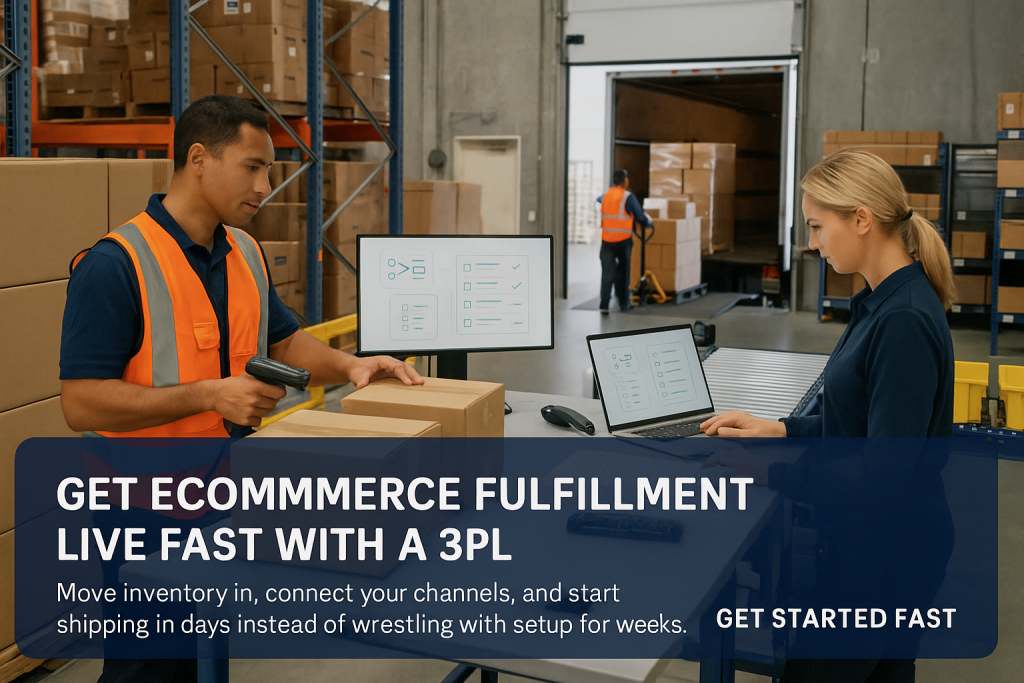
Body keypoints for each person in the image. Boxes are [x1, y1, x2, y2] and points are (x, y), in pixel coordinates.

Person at [59, 95, 424, 682]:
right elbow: (79, 404)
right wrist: (209, 395)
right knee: (148, 671)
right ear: (198, 158)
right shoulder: (114, 264)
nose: (265, 186)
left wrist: (351, 366)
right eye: (252, 167)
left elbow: (282, 342)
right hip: (139, 511)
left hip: (221, 495)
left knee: (206, 660)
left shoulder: (244, 251)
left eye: (271, 172)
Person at [700, 147, 957, 683]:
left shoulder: (903, 320)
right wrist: (782, 428)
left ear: (861, 219)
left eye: (818, 226)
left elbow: (885, 468)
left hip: (885, 556)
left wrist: (772, 471)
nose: (812, 243)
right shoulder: (879, 302)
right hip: (883, 542)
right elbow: (861, 422)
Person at [596, 169, 653, 313]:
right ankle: (623, 304)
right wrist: (648, 223)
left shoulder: (605, 196)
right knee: (622, 273)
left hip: (607, 241)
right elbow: (640, 216)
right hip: (623, 242)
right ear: (625, 181)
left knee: (607, 273)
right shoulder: (628, 197)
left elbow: (598, 200)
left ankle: (604, 305)